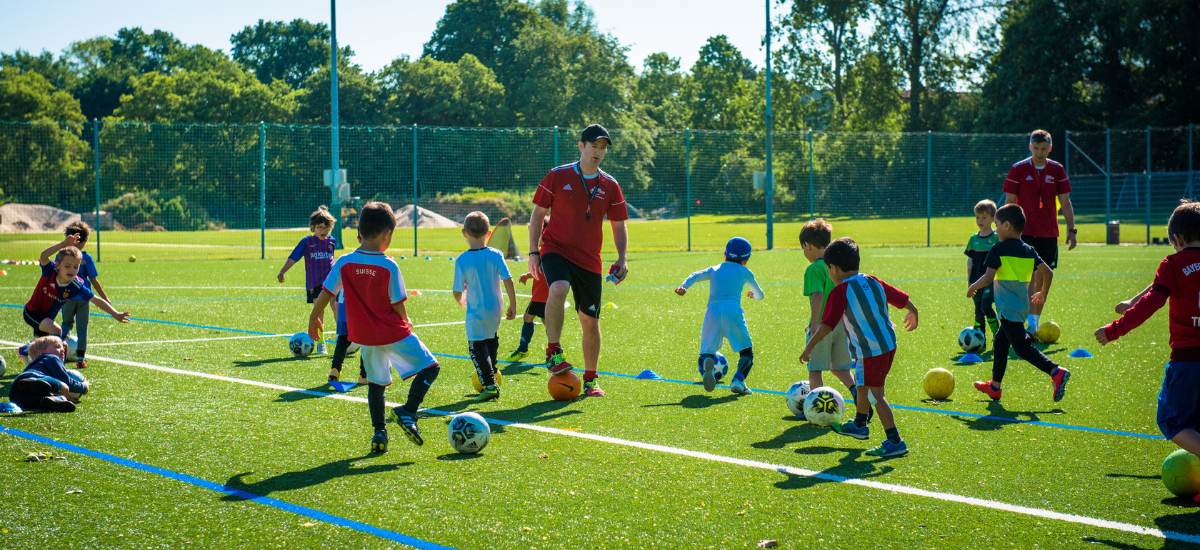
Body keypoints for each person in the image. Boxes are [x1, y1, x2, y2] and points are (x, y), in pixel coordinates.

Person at [307, 202, 440, 454]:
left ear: (360, 230)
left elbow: (326, 293)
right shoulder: (388, 265)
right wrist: (407, 320)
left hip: (365, 337)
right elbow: (397, 302)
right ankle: (408, 411)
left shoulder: (344, 262)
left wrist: (314, 318)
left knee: (376, 384)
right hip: (392, 332)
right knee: (431, 367)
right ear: (386, 235)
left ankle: (379, 432)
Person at [1095, 201, 1200, 500]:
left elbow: (1155, 299)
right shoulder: (1175, 266)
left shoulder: (1174, 263)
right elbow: (1159, 287)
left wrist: (1114, 329)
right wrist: (1132, 299)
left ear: (1178, 240)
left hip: (1188, 359)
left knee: (1172, 421)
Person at [527, 124, 630, 398]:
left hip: (589, 259)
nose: (598, 152)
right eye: (594, 146)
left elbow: (619, 226)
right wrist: (533, 252)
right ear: (581, 146)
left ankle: (591, 379)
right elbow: (537, 215)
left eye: (603, 148)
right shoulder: (558, 175)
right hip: (555, 248)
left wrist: (622, 258)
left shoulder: (610, 185)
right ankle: (553, 350)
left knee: (590, 321)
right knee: (558, 287)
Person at [800, 238, 919, 458]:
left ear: (833, 268)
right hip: (887, 344)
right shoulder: (872, 280)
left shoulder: (840, 291)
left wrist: (810, 346)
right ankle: (859, 425)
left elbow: (827, 325)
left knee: (876, 395)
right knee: (862, 384)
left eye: (828, 269)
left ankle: (895, 441)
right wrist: (914, 311)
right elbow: (899, 297)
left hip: (870, 350)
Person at [967, 204, 1071, 402]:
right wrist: (1043, 293)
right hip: (1022, 305)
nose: (995, 229)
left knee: (1022, 347)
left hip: (1007, 307)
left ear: (1006, 225)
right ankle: (995, 387)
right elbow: (1047, 272)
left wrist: (973, 287)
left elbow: (988, 277)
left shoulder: (997, 249)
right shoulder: (1028, 250)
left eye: (996, 225)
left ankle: (1055, 371)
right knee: (1000, 343)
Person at [1003, 129, 1077, 339]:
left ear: (1050, 148)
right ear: (1030, 147)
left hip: (1048, 233)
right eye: (1035, 148)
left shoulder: (1057, 169)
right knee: (1027, 279)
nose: (1039, 152)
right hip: (1023, 233)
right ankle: (1024, 324)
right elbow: (1009, 203)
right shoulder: (1018, 169)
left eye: (1043, 149)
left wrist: (1072, 230)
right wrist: (1008, 231)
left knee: (1043, 278)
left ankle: (1033, 325)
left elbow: (1065, 202)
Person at [675, 237, 765, 395]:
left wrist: (684, 286)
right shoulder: (745, 272)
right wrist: (753, 295)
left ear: (725, 254)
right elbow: (761, 294)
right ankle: (738, 380)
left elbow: (695, 275)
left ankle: (708, 361)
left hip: (713, 312)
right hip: (733, 312)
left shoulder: (715, 269)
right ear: (747, 259)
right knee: (746, 352)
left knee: (706, 351)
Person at [453, 212, 518, 402]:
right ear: (488, 233)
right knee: (491, 338)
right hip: (496, 308)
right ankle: (493, 369)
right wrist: (513, 304)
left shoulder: (462, 260)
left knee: (476, 346)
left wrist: (461, 301)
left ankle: (489, 385)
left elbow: (457, 290)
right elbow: (508, 279)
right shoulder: (496, 254)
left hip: (476, 309)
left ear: (464, 233)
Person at [24, 235, 130, 339]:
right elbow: (44, 256)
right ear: (58, 265)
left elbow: (95, 299)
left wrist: (115, 313)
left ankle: (24, 351)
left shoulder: (76, 285)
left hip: (48, 319)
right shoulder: (50, 271)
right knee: (57, 331)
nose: (72, 270)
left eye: (76, 267)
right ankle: (61, 353)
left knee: (39, 345)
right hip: (32, 312)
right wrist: (63, 244)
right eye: (67, 266)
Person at [800, 219, 858, 408]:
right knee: (840, 368)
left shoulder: (813, 269)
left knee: (815, 369)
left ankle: (819, 408)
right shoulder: (837, 266)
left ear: (807, 246)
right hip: (842, 324)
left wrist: (814, 326)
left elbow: (817, 296)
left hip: (823, 326)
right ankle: (857, 394)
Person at [281, 205, 338, 355]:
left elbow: (333, 260)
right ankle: (321, 342)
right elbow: (293, 258)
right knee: (319, 312)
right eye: (320, 227)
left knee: (336, 306)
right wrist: (282, 271)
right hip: (315, 284)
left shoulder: (332, 241)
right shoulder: (306, 242)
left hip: (332, 281)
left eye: (326, 228)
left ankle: (342, 338)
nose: (323, 231)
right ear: (312, 228)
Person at [59, 221, 112, 369]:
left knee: (66, 324)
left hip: (67, 296)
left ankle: (62, 347)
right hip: (84, 297)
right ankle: (80, 360)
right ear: (85, 241)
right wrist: (104, 298)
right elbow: (94, 280)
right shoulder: (86, 258)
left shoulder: (61, 256)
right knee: (82, 329)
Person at [504, 217, 550, 364]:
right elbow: (542, 271)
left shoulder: (544, 252)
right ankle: (555, 351)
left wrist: (529, 275)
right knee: (546, 321)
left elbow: (542, 270)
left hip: (541, 295)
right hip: (545, 294)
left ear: (543, 232)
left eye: (534, 234)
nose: (532, 238)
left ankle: (523, 349)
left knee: (528, 318)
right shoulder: (546, 250)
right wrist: (529, 276)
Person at [9, 336, 88, 413]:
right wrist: (84, 387)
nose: (62, 350)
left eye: (62, 347)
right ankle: (37, 382)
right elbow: (67, 382)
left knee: (45, 400)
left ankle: (56, 399)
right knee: (65, 387)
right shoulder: (51, 357)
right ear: (42, 353)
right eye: (57, 347)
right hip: (33, 378)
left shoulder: (34, 365)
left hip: (16, 395)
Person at [965, 200, 1001, 345]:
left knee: (986, 306)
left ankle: (998, 337)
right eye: (977, 217)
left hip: (990, 279)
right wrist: (969, 281)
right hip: (976, 279)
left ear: (993, 218)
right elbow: (970, 261)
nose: (980, 220)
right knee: (978, 311)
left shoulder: (996, 238)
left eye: (984, 217)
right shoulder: (973, 239)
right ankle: (980, 341)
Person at [327, 291, 367, 384]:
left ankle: (335, 369)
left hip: (343, 304)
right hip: (358, 306)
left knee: (343, 339)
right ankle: (364, 375)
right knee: (366, 340)